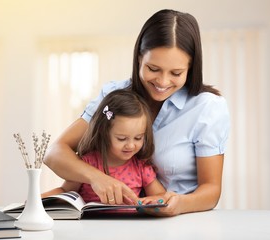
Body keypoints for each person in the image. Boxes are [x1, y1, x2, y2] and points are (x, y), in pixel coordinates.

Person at [44, 9, 230, 217]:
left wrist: (179, 204)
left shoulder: (207, 108)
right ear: (139, 58)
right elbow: (54, 154)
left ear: (191, 67)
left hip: (183, 223)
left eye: (176, 73)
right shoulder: (114, 96)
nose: (162, 81)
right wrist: (98, 178)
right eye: (153, 68)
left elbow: (211, 190)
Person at [42, 89, 166, 204]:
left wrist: (148, 202)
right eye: (122, 139)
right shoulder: (87, 163)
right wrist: (37, 200)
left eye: (138, 138)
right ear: (104, 134)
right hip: (89, 226)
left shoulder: (141, 167)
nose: (131, 145)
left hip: (131, 226)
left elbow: (161, 195)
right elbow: (65, 192)